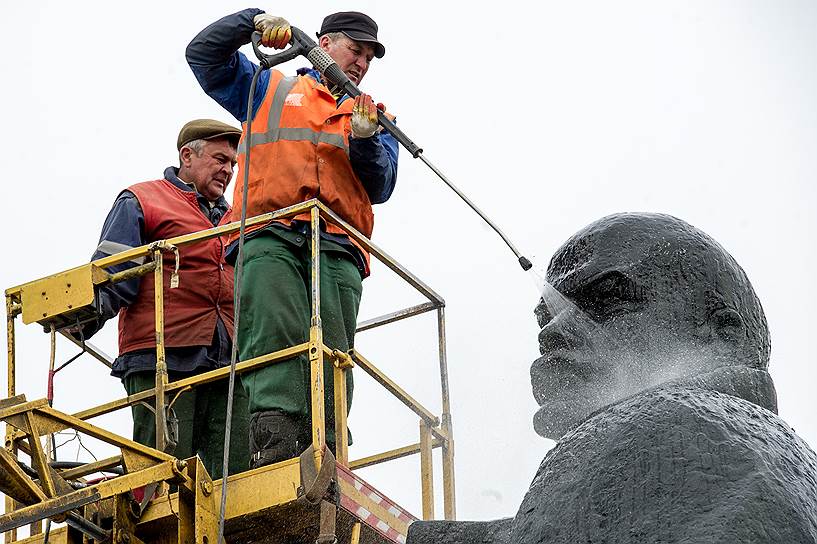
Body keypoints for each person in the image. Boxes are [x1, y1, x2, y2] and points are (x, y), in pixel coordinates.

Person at [408, 213, 817, 544]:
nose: (549, 334)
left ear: (721, 335)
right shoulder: (751, 457)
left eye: (607, 300)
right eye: (547, 318)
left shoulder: (670, 424)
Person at [186, 9, 398, 468]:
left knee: (334, 349)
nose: (361, 63)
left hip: (338, 246)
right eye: (354, 50)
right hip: (268, 230)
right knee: (274, 330)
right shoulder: (269, 87)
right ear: (323, 42)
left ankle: (328, 449)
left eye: (368, 56)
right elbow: (203, 56)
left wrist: (365, 139)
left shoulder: (374, 115)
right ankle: (276, 438)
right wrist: (253, 22)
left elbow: (380, 186)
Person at [81, 119, 249, 479]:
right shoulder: (142, 199)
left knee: (234, 483)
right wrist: (83, 319)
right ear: (187, 155)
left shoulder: (239, 217)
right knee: (162, 481)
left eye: (233, 164)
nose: (228, 170)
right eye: (220, 159)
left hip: (228, 360)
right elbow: (115, 272)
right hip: (162, 356)